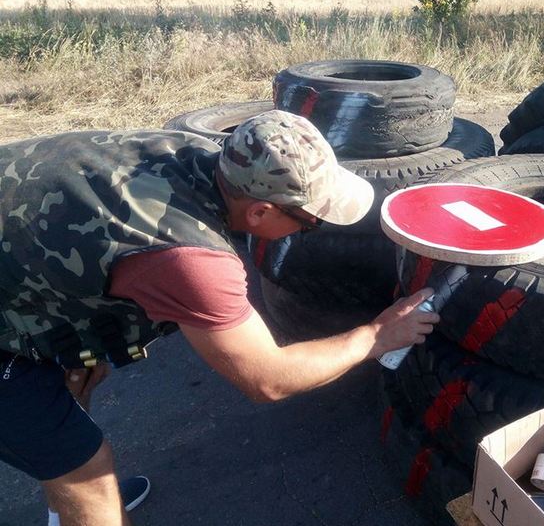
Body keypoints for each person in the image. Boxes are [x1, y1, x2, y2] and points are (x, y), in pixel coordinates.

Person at [0, 110, 438, 526]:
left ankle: (68, 510)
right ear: (260, 212)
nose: (313, 230)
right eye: (310, 223)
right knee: (87, 471)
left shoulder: (193, 151)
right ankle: (85, 504)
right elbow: (268, 378)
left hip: (16, 262)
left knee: (70, 395)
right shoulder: (190, 259)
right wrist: (376, 335)